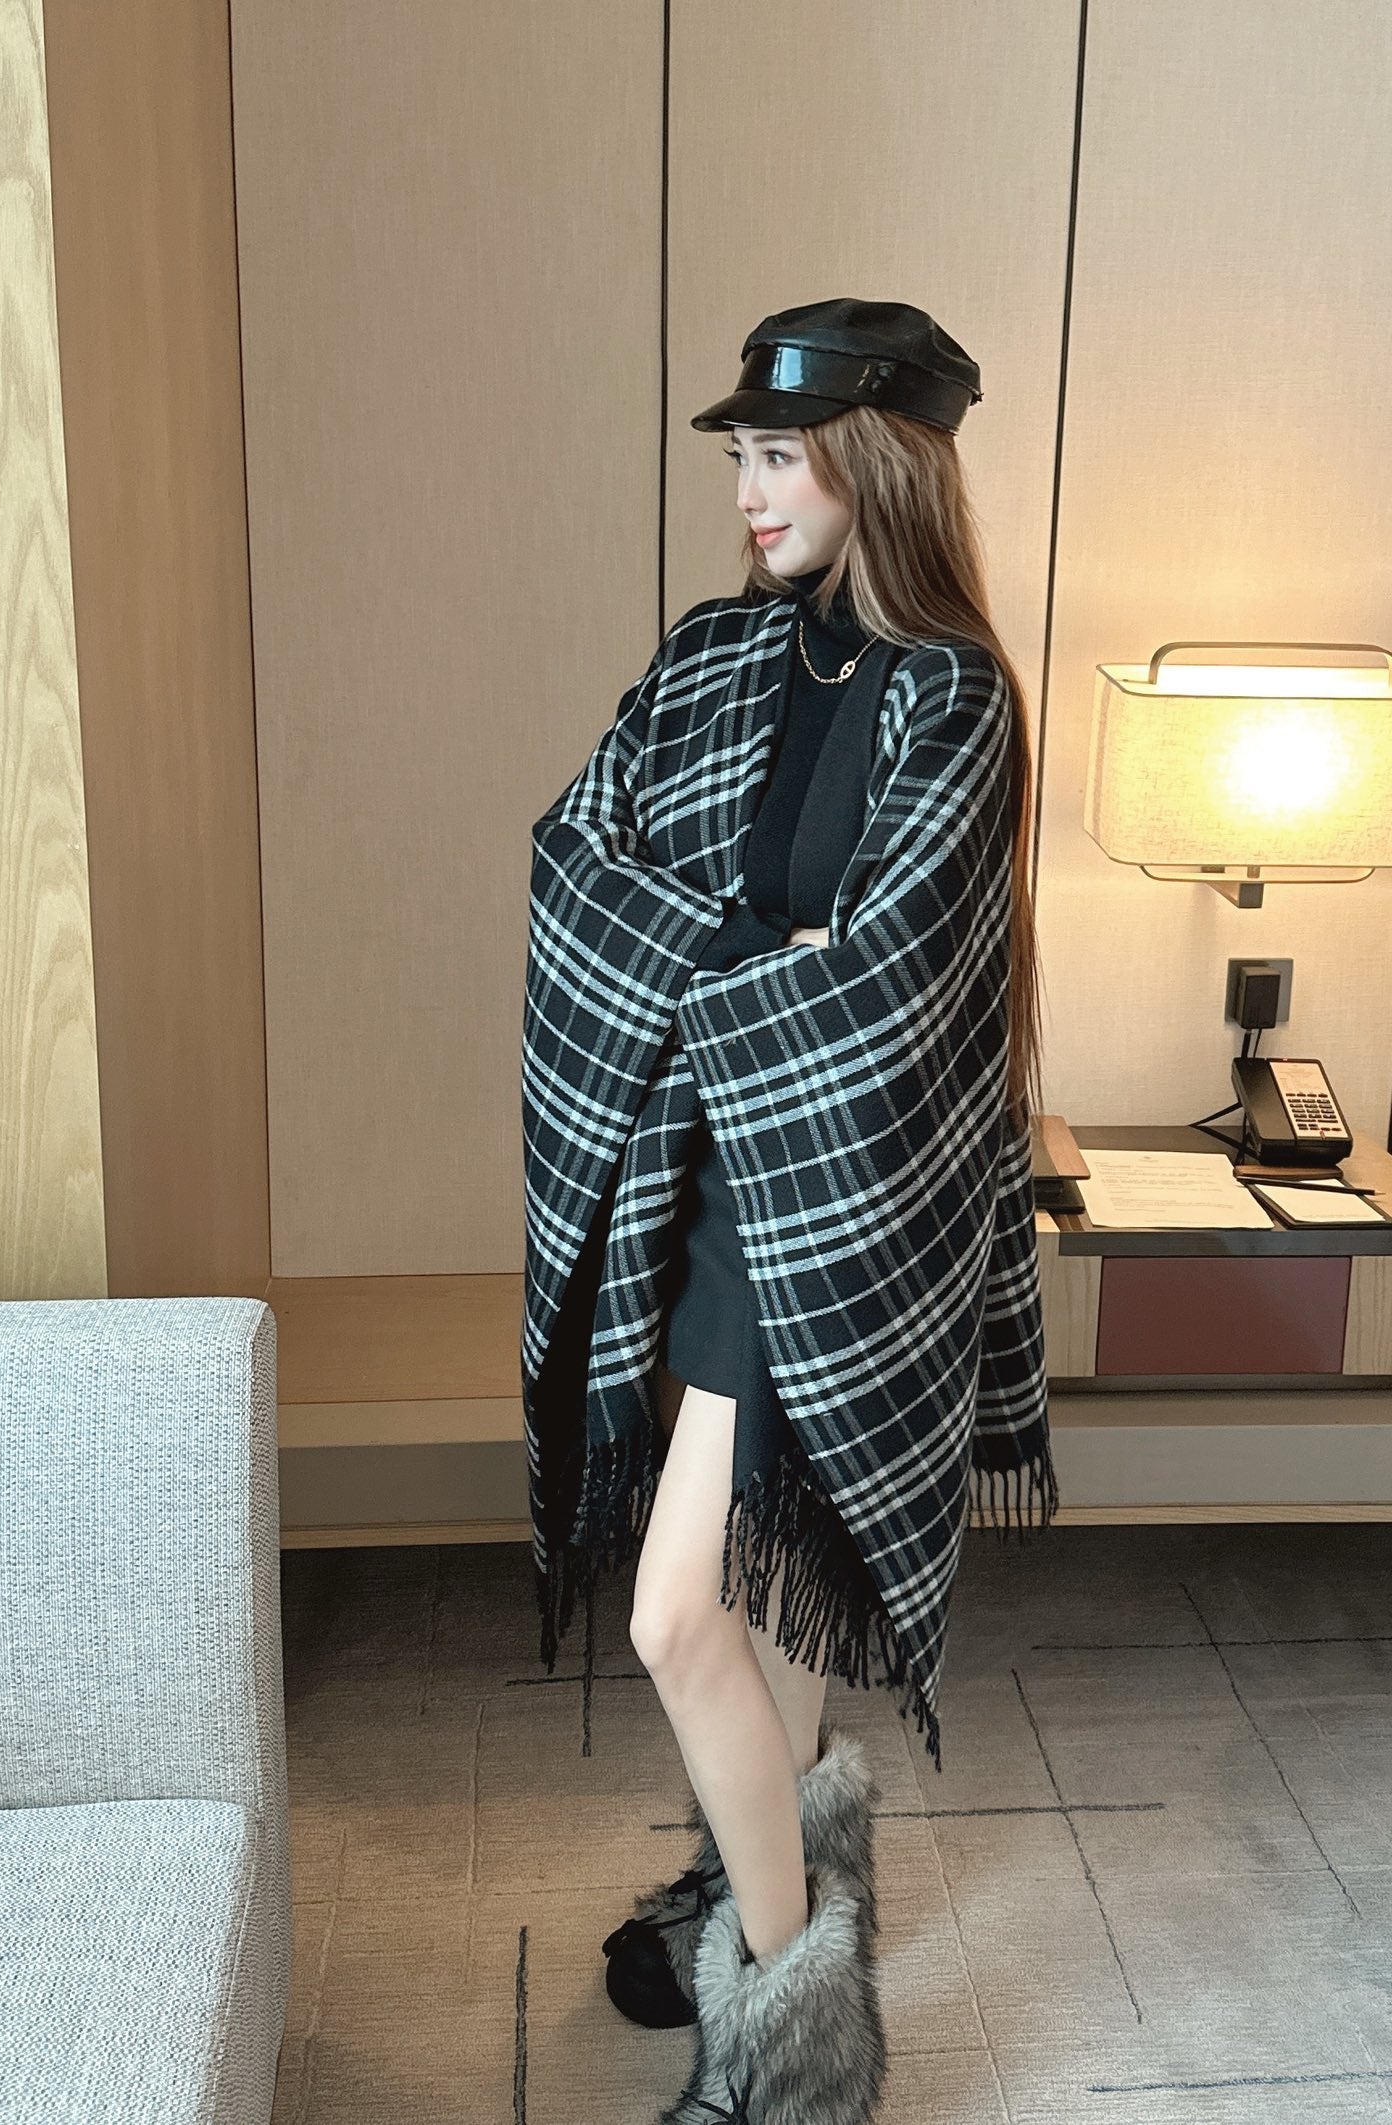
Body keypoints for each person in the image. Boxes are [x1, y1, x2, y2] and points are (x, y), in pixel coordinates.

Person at [520, 298, 1058, 2124]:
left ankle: (787, 2044)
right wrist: (767, 946)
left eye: (782, 455)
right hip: (695, 1171)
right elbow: (575, 861)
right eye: (741, 453)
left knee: (689, 1614)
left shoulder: (956, 700)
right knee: (773, 1600)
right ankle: (768, 1864)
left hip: (839, 1208)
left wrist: (725, 956)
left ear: (881, 464)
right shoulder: (715, 655)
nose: (750, 491)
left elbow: (892, 986)